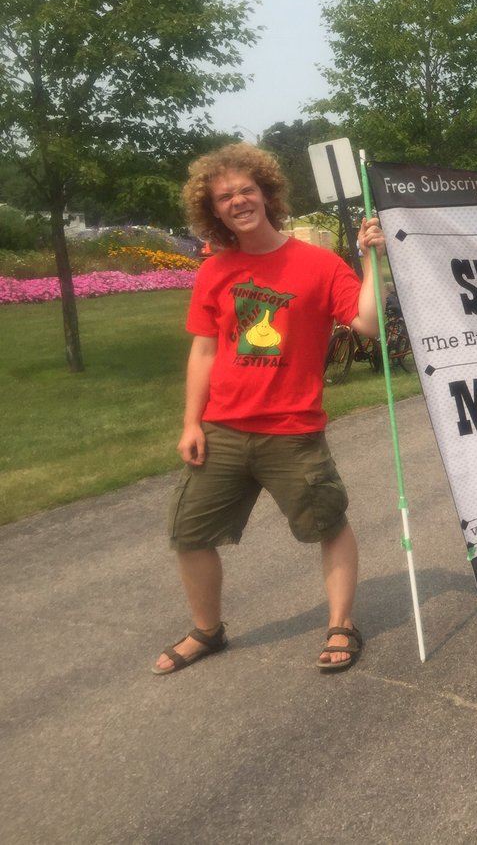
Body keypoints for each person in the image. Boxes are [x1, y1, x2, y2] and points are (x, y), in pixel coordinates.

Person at [153, 143, 387, 676]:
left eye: (246, 190)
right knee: (188, 534)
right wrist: (191, 421)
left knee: (327, 524)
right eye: (225, 196)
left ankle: (341, 625)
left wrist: (374, 261)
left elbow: (369, 324)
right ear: (212, 210)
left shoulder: (319, 264)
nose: (238, 201)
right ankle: (207, 632)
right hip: (223, 429)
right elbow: (205, 349)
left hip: (292, 430)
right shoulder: (215, 270)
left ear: (266, 194)